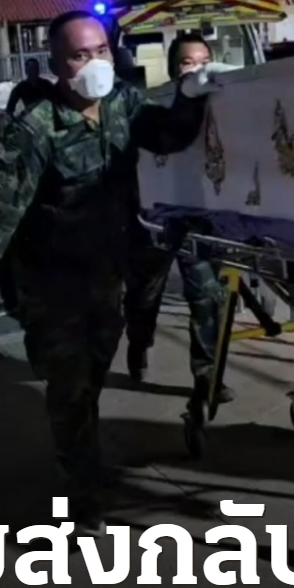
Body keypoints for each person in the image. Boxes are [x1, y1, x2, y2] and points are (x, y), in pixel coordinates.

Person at [0, 10, 226, 533]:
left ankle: (83, 461)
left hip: (104, 272)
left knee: (92, 377)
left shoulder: (124, 103)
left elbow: (167, 137)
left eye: (100, 51)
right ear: (56, 64)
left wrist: (189, 97)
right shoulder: (35, 129)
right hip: (51, 281)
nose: (94, 63)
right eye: (79, 55)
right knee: (70, 387)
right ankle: (84, 498)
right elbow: (0, 209)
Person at [122, 32, 236, 404]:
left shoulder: (223, 102)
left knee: (207, 298)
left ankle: (208, 378)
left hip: (199, 218)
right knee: (144, 294)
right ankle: (139, 343)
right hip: (155, 217)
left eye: (204, 61)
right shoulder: (155, 106)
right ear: (174, 71)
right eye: (188, 63)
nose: (198, 69)